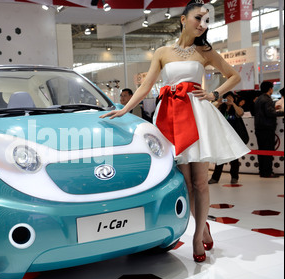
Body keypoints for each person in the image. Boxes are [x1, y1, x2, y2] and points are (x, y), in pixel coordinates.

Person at [100, 0, 249, 262]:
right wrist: (125, 110)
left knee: (201, 182)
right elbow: (145, 86)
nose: (202, 25)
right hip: (169, 115)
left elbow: (234, 76)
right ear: (183, 19)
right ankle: (203, 226)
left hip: (197, 114)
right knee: (186, 183)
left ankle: (196, 235)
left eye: (206, 21)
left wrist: (215, 93)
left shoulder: (205, 52)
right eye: (198, 18)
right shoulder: (162, 52)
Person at [208, 92, 245, 184]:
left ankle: (234, 177)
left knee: (234, 159)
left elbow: (240, 113)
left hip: (234, 137)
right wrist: (219, 102)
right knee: (220, 158)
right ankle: (215, 178)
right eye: (227, 98)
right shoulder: (220, 109)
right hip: (222, 137)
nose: (228, 99)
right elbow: (209, 110)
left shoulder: (235, 109)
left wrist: (233, 104)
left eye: (230, 97)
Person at [254, 81, 278, 178]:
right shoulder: (268, 99)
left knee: (262, 150)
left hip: (259, 128)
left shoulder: (259, 99)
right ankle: (268, 172)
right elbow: (270, 113)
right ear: (270, 89)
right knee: (268, 150)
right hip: (267, 128)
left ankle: (262, 171)